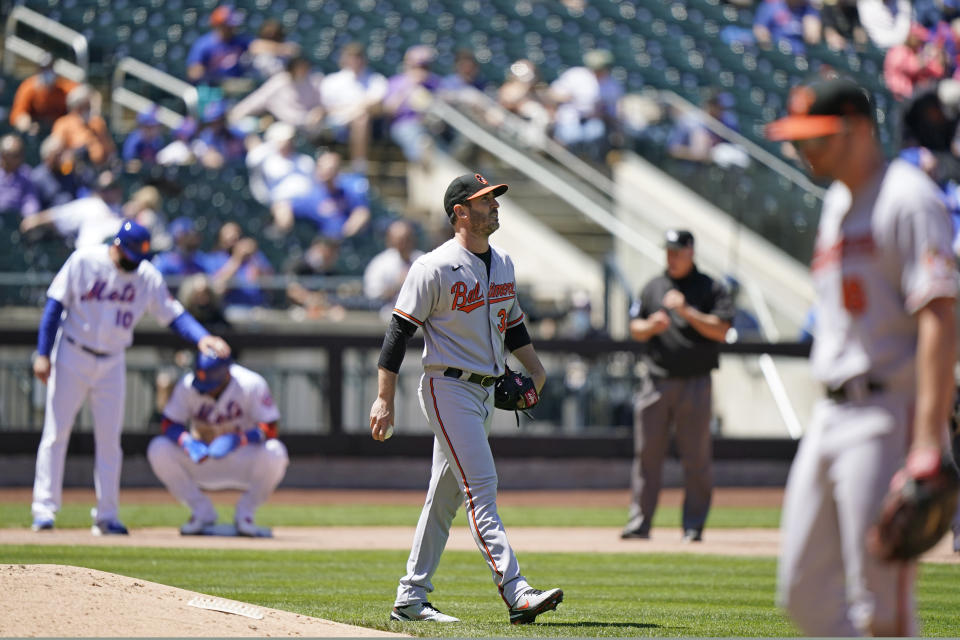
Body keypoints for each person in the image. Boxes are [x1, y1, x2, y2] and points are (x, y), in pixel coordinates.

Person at [765, 75, 957, 635]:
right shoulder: (836, 206)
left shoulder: (908, 197)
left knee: (884, 607)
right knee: (803, 593)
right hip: (830, 413)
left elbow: (940, 319)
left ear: (855, 131)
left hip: (886, 413)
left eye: (816, 138)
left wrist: (926, 441)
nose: (804, 151)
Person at [368, 173, 563, 624]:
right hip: (447, 386)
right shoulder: (433, 266)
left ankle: (410, 598)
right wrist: (384, 399)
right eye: (483, 200)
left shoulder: (504, 264)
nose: (494, 205)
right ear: (459, 212)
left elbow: (512, 324)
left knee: (444, 498)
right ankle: (517, 592)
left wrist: (535, 368)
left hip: (485, 392)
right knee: (482, 489)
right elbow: (398, 333)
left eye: (494, 198)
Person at [30, 220, 232, 534]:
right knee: (56, 434)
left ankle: (107, 515)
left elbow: (173, 314)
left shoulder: (146, 275)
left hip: (112, 361)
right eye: (129, 254)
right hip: (72, 353)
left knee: (110, 441)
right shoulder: (85, 260)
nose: (133, 262)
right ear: (116, 245)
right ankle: (44, 511)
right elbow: (54, 306)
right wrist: (43, 354)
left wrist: (202, 337)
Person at [620, 229, 734, 542]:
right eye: (668, 251)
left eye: (676, 252)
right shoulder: (654, 286)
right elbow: (635, 326)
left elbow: (722, 330)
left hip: (695, 383)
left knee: (696, 458)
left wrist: (687, 311)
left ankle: (693, 526)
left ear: (690, 252)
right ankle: (640, 523)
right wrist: (650, 326)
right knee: (647, 457)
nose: (671, 257)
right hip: (656, 381)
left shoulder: (710, 287)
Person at [146, 352, 287, 536]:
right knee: (159, 448)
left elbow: (271, 427)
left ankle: (246, 513)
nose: (206, 390)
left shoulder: (250, 383)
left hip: (242, 459)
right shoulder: (188, 384)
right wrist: (186, 441)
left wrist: (240, 439)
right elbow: (169, 423)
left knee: (275, 452)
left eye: (210, 386)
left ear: (226, 375)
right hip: (203, 459)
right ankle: (201, 511)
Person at [320, 42, 389, 173]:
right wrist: (354, 110)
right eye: (351, 56)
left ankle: (359, 166)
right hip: (337, 123)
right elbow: (327, 108)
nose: (354, 60)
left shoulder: (376, 79)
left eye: (358, 56)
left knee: (361, 118)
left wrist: (355, 110)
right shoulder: (331, 81)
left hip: (371, 125)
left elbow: (377, 105)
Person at [229, 56, 324, 133]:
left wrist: (320, 111)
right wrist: (237, 113)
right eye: (299, 69)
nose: (302, 71)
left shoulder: (314, 81)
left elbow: (322, 105)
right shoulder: (279, 82)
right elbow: (257, 99)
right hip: (285, 127)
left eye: (305, 68)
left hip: (311, 125)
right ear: (291, 69)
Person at [9, 53, 78, 134]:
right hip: (36, 129)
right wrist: (25, 123)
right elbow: (18, 113)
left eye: (50, 68)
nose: (47, 72)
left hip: (59, 130)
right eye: (44, 69)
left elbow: (83, 94)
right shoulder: (29, 87)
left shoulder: (64, 87)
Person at [51, 85, 116, 169]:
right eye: (85, 106)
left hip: (99, 171)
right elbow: (57, 152)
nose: (88, 109)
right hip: (74, 171)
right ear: (75, 107)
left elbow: (110, 151)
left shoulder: (97, 122)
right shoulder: (62, 124)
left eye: (89, 106)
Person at [363, 219, 423, 307]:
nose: (404, 244)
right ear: (389, 240)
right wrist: (398, 285)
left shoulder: (423, 259)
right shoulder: (380, 263)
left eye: (407, 239)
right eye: (399, 240)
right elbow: (372, 294)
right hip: (388, 314)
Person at [30, 135, 81, 209]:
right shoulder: (37, 178)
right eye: (58, 155)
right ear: (47, 157)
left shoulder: (68, 172)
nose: (62, 158)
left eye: (62, 153)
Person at [0, 133, 40, 217]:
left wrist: (29, 216)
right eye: (16, 155)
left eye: (21, 153)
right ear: (4, 156)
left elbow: (31, 200)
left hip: (16, 221)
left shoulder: (25, 173)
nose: (21, 158)